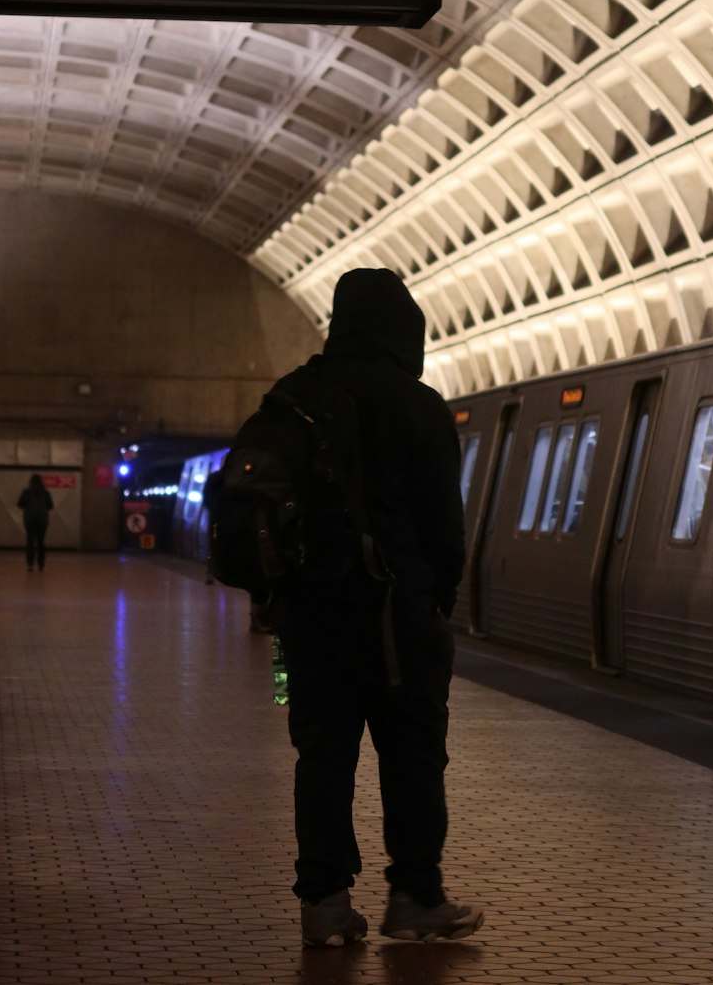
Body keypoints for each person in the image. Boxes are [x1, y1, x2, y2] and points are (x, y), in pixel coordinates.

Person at [272, 267, 485, 947]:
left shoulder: (292, 397)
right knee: (414, 754)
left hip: (304, 626)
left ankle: (325, 905)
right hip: (397, 619)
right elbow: (444, 532)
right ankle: (415, 896)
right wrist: (433, 600)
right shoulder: (416, 406)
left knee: (321, 758)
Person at [17, 473, 54, 571]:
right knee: (41, 542)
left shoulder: (26, 492)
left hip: (30, 519)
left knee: (30, 541)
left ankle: (30, 564)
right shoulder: (45, 492)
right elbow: (50, 506)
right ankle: (41, 565)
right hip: (42, 520)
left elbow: (20, 504)